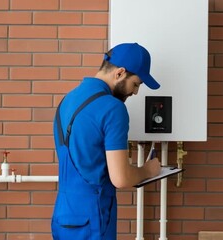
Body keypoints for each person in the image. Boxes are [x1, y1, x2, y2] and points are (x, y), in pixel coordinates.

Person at [51, 43, 162, 240]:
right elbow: (121, 178)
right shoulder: (113, 108)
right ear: (120, 73)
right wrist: (148, 170)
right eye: (135, 84)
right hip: (93, 219)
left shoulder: (67, 99)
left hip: (62, 216)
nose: (135, 92)